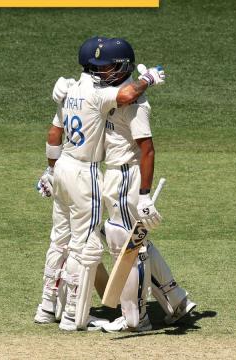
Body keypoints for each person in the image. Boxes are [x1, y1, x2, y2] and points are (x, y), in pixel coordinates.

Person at [53, 39, 196, 333]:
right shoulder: (108, 92)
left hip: (125, 175)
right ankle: (174, 297)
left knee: (126, 244)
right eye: (98, 67)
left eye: (107, 66)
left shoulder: (135, 103)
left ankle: (137, 318)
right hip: (111, 175)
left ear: (122, 67)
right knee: (125, 239)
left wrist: (144, 194)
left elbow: (148, 149)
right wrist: (65, 89)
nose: (100, 71)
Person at [34, 37, 165, 331]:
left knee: (60, 239)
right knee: (85, 245)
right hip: (85, 173)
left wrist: (49, 171)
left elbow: (54, 133)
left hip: (62, 168)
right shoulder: (98, 94)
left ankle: (46, 306)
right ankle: (72, 316)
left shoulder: (68, 90)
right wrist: (148, 78)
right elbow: (127, 95)